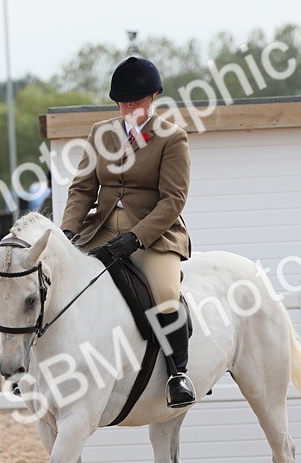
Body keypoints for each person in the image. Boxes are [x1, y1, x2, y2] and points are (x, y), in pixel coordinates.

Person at [60, 56, 195, 408]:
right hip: (101, 228)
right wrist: (68, 231)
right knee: (57, 281)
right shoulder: (101, 133)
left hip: (153, 233)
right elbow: (82, 189)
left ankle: (177, 375)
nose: (129, 109)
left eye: (136, 102)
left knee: (166, 293)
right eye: (123, 103)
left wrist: (136, 238)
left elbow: (173, 200)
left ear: (154, 97)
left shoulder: (171, 138)